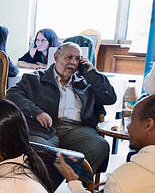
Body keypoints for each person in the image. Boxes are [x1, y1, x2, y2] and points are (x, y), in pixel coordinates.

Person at [6, 42, 115, 171]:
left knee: (99, 145)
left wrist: (92, 73)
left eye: (78, 59)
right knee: (39, 149)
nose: (74, 62)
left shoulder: (86, 83)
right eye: (69, 57)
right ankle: (45, 186)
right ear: (56, 57)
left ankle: (75, 184)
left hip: (76, 129)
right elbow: (12, 95)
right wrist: (36, 112)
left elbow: (110, 98)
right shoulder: (35, 79)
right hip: (43, 129)